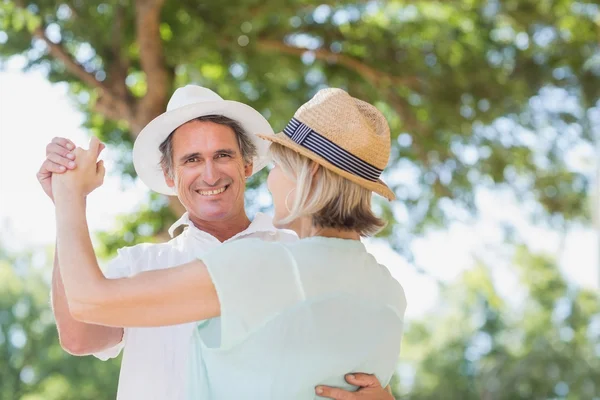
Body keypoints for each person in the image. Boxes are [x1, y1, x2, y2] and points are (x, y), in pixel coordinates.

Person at [39, 85, 397, 399]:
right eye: (192, 159)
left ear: (247, 164)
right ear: (169, 174)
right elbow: (78, 335)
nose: (210, 173)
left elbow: (340, 361)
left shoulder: (290, 257)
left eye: (223, 155)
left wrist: (72, 197)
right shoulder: (141, 265)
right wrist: (63, 207)